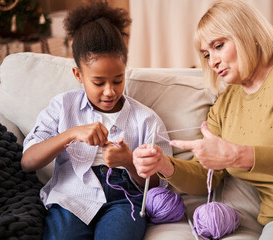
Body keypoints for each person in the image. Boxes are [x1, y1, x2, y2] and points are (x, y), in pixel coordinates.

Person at [133, 0, 273, 239]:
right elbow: (205, 176)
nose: (212, 61)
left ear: (248, 33)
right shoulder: (224, 106)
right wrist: (163, 164)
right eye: (206, 54)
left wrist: (238, 155)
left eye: (218, 46)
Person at [21, 2, 172, 240]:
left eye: (118, 80)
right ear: (78, 75)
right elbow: (28, 161)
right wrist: (69, 134)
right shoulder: (62, 106)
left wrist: (129, 161)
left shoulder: (146, 120)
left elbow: (157, 187)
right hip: (70, 198)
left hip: (125, 201)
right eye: (99, 82)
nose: (110, 91)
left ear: (125, 70)